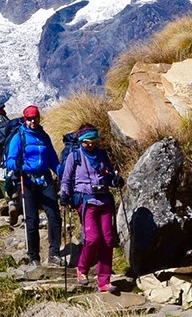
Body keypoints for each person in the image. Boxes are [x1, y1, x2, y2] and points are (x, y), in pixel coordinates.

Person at [59, 123, 124, 292]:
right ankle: (82, 269)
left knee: (108, 240)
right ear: (81, 141)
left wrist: (115, 181)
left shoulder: (102, 155)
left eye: (93, 141)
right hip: (86, 201)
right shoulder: (75, 156)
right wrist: (64, 195)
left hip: (105, 201)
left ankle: (104, 281)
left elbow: (108, 174)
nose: (90, 144)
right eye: (87, 141)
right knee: (92, 238)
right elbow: (66, 180)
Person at [4, 105, 63, 267]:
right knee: (32, 219)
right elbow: (10, 160)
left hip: (45, 180)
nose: (32, 122)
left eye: (35, 118)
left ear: (39, 118)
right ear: (25, 119)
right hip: (26, 181)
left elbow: (52, 159)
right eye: (29, 119)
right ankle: (33, 256)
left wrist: (61, 172)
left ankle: (54, 253)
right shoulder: (19, 136)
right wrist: (16, 164)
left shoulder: (44, 136)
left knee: (54, 216)